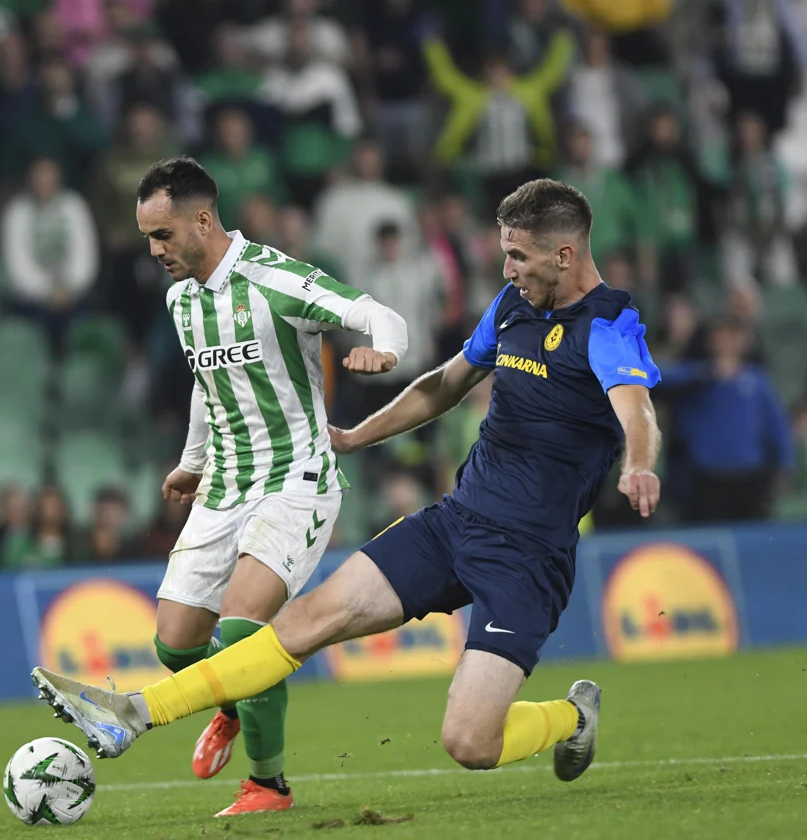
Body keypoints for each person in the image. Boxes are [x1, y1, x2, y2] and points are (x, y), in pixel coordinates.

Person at [32, 178, 663, 797]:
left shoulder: (608, 324)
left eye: (518, 256)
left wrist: (637, 463)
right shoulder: (511, 307)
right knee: (302, 622)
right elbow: (444, 385)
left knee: (471, 742)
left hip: (528, 555)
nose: (506, 268)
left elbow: (635, 407)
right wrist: (361, 435)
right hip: (455, 522)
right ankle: (134, 712)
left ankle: (574, 717)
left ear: (565, 254)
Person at [80, 157, 407, 817]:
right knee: (174, 642)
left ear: (203, 219)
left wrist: (384, 352)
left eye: (165, 234)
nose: (155, 250)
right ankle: (232, 701)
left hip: (296, 480)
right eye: (148, 237)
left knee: (243, 631)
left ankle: (268, 785)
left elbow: (378, 313)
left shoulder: (275, 280)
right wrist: (191, 460)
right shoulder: (181, 300)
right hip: (224, 486)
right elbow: (210, 386)